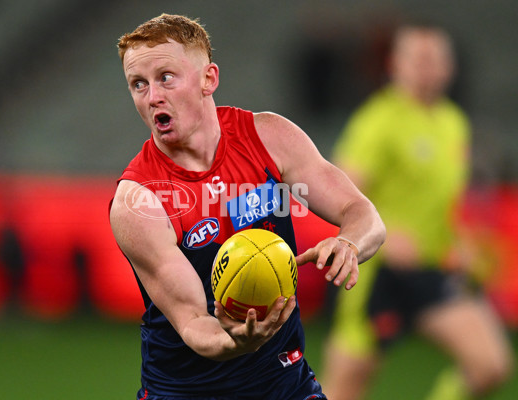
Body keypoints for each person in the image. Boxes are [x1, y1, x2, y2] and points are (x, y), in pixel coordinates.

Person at [109, 14, 385, 399]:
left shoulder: (270, 138)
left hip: (285, 382)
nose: (152, 96)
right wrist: (240, 341)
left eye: (166, 77)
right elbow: (193, 324)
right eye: (138, 84)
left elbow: (363, 214)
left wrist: (350, 243)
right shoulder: (138, 201)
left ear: (209, 79)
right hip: (187, 392)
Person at [322, 23, 514, 400]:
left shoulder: (452, 123)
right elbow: (335, 195)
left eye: (437, 58)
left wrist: (457, 244)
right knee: (343, 389)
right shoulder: (377, 121)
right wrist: (385, 232)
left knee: (491, 364)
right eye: (419, 57)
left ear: (450, 66)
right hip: (377, 273)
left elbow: (441, 203)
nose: (429, 66)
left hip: (431, 269)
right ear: (396, 64)